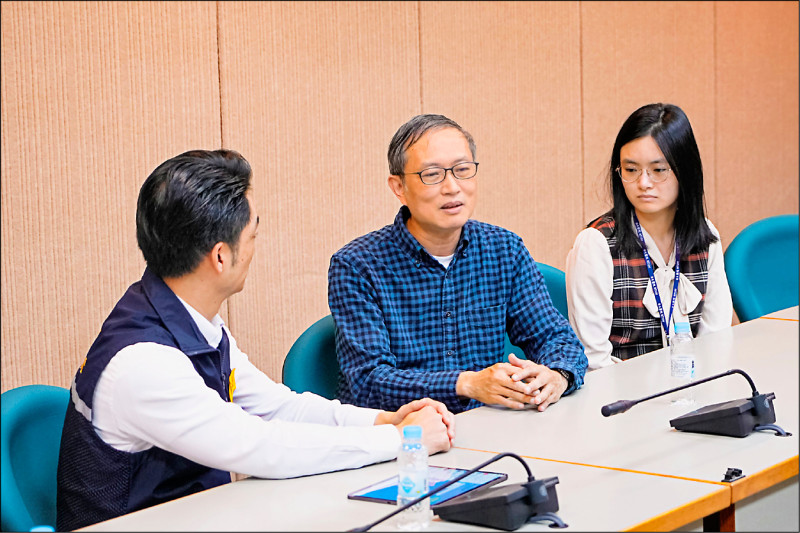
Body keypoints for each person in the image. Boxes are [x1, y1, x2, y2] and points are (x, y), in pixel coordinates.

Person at [56, 149, 455, 531]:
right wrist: (400, 439)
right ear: (220, 257)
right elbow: (261, 447)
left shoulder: (187, 318)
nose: (255, 247)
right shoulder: (144, 365)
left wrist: (383, 419)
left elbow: (274, 408)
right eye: (252, 235)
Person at [328, 114, 587, 415]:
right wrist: (465, 384)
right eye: (432, 174)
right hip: (405, 437)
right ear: (398, 187)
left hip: (490, 431)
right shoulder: (357, 266)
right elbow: (368, 382)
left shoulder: (504, 249)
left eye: (463, 170)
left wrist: (557, 375)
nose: (452, 187)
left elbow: (556, 338)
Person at [565, 103, 733, 370]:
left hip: (693, 391)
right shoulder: (597, 244)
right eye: (631, 170)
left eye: (658, 170)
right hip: (621, 400)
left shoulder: (705, 236)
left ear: (685, 171)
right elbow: (594, 360)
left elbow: (717, 340)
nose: (643, 183)